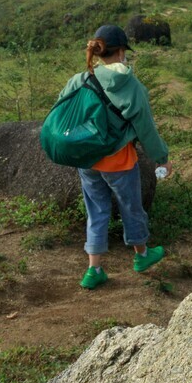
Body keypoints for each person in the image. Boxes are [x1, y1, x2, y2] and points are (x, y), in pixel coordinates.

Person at [54, 24, 171, 289]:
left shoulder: (79, 79)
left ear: (97, 52)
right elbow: (146, 129)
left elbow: (61, 109)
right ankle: (142, 257)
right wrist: (162, 158)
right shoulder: (131, 85)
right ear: (120, 52)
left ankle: (93, 270)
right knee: (132, 208)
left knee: (96, 212)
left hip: (88, 160)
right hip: (119, 160)